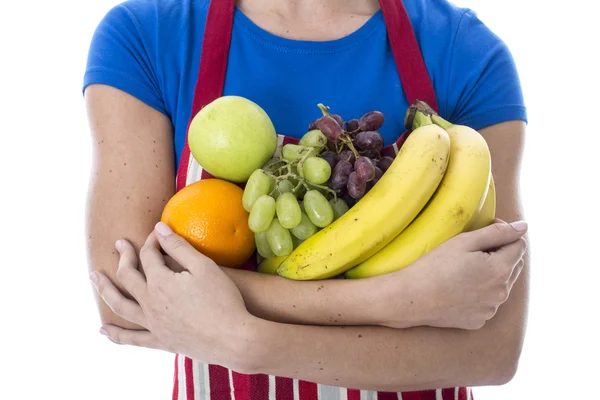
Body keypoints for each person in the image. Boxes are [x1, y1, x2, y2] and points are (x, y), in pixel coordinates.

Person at [82, 0, 530, 399]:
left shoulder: (463, 50)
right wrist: (390, 301)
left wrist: (243, 338)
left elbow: (493, 350)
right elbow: (126, 293)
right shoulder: (147, 36)